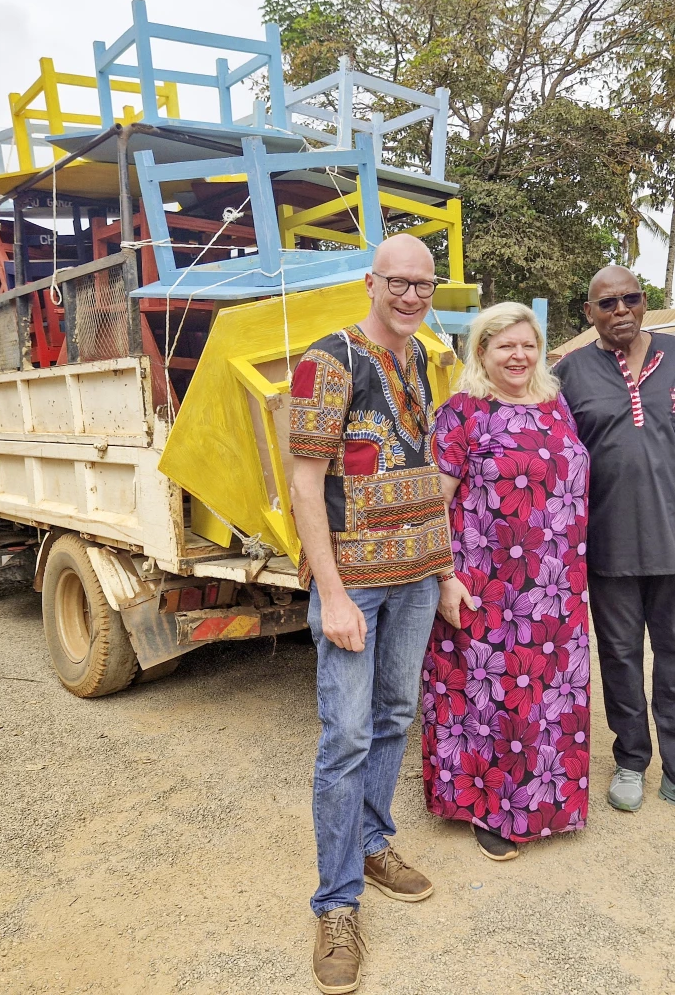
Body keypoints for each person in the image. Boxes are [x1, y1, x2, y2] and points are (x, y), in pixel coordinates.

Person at [289, 234, 455, 994]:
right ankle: (337, 903)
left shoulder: (420, 359)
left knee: (394, 715)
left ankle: (374, 839)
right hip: (355, 581)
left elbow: (424, 473)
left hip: (419, 576)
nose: (413, 295)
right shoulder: (330, 360)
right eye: (400, 282)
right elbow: (304, 481)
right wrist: (330, 594)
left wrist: (445, 571)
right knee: (346, 736)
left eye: (424, 283)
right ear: (372, 282)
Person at [553, 265, 675, 826]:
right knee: (620, 658)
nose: (620, 311)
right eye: (606, 304)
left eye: (630, 299)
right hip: (607, 547)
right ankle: (631, 760)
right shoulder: (568, 373)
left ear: (644, 302)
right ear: (589, 313)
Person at [423, 302, 591, 862]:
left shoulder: (555, 406)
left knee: (548, 700)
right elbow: (433, 508)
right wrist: (445, 578)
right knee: (494, 700)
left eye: (527, 345)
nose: (518, 356)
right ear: (481, 353)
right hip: (489, 587)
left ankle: (548, 802)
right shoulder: (461, 414)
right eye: (504, 346)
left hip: (557, 586)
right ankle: (490, 810)